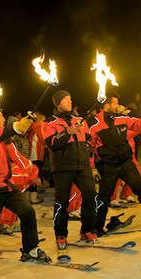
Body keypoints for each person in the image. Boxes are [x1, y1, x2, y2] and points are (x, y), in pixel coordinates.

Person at [0, 106, 50, 279]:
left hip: (6, 186)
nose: (4, 117)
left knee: (27, 212)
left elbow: (18, 157)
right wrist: (17, 126)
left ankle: (30, 249)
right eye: (1, 115)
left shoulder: (4, 139)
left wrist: (33, 172)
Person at [89, 93, 141, 236]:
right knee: (104, 196)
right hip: (107, 165)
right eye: (115, 103)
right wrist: (92, 168)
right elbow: (89, 147)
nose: (118, 106)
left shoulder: (121, 119)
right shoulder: (94, 124)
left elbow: (140, 124)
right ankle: (96, 227)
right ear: (106, 105)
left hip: (125, 162)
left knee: (139, 187)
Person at [44, 90, 98, 249]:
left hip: (82, 166)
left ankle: (87, 230)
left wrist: (88, 152)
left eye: (70, 99)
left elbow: (88, 139)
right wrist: (67, 132)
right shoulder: (49, 123)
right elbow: (52, 143)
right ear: (58, 103)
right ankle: (60, 234)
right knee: (61, 202)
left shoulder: (79, 119)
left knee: (91, 196)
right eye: (66, 100)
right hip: (62, 168)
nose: (70, 102)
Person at [26, 113, 46, 204]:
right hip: (37, 153)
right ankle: (33, 197)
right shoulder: (38, 127)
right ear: (39, 120)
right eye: (43, 120)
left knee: (32, 173)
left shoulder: (32, 126)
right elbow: (43, 139)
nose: (44, 122)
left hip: (32, 153)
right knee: (35, 174)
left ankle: (30, 194)